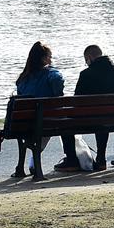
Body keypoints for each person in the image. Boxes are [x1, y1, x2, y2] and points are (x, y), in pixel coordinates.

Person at [14, 42, 79, 173]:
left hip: (25, 123)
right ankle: (71, 159)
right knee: (63, 121)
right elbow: (58, 92)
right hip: (49, 121)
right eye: (50, 57)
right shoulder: (52, 75)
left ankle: (30, 163)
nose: (51, 60)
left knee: (45, 120)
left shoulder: (22, 79)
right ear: (44, 59)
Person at [74, 45, 114, 171]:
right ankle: (100, 158)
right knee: (104, 117)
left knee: (95, 118)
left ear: (89, 58)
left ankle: (71, 159)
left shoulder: (86, 74)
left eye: (86, 60)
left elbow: (77, 101)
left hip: (93, 120)